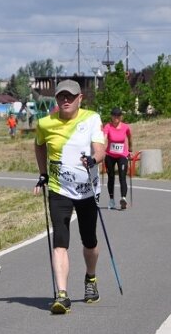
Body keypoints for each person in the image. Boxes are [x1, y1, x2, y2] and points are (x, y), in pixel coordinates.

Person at [33, 79, 105, 314]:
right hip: (59, 189)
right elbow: (39, 145)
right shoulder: (44, 123)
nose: (65, 100)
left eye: (70, 96)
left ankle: (91, 278)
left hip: (87, 189)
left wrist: (93, 160)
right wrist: (43, 173)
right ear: (56, 99)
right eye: (61, 96)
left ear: (79, 99)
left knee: (89, 240)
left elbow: (100, 149)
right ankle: (62, 294)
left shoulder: (92, 118)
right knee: (60, 240)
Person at [103, 107, 133, 210]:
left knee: (122, 176)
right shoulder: (108, 126)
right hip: (110, 155)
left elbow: (129, 137)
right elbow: (104, 137)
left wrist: (130, 149)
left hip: (122, 155)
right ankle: (111, 200)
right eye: (114, 115)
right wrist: (101, 148)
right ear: (111, 116)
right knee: (111, 177)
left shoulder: (125, 127)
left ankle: (123, 198)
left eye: (118, 116)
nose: (116, 118)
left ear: (121, 117)